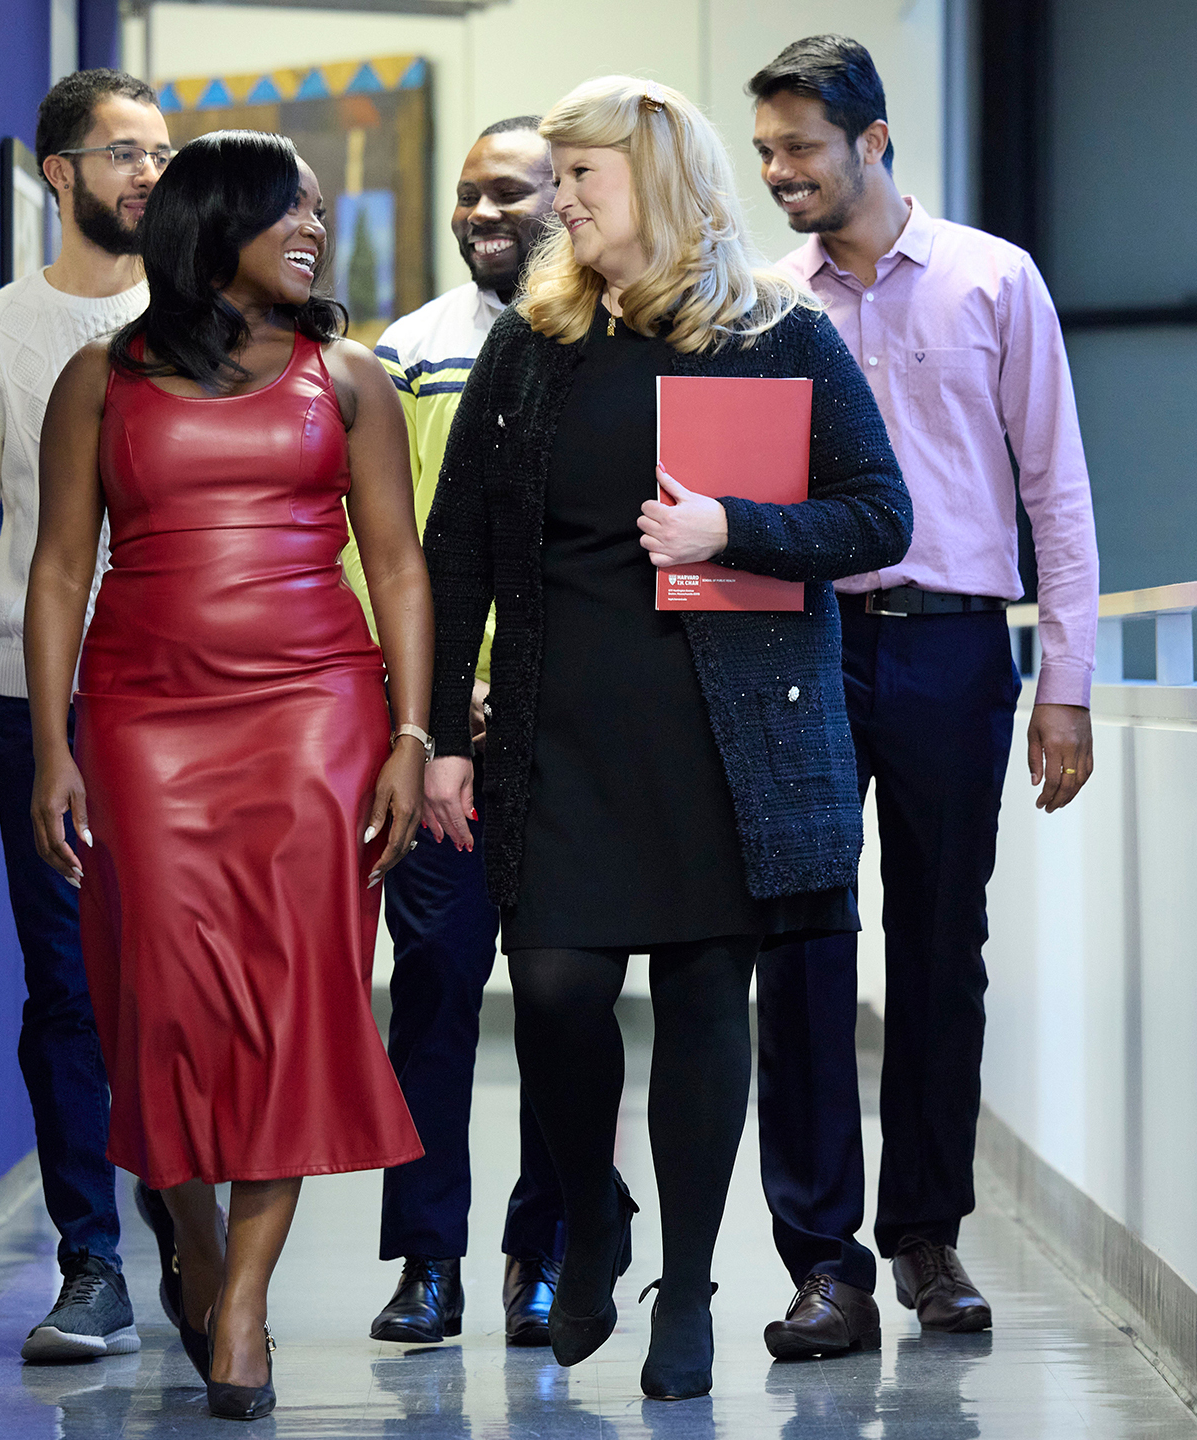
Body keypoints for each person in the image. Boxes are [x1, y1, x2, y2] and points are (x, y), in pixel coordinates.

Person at [418, 77, 911, 1402]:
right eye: (560, 178)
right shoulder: (533, 342)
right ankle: (593, 1214)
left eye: (584, 177)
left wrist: (734, 531)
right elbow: (453, 545)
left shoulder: (780, 335)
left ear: (663, 183)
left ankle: (685, 1286)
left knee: (703, 1004)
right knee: (564, 996)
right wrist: (438, 734)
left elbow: (879, 516)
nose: (559, 200)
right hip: (556, 731)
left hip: (721, 738)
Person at [22, 131, 430, 1420]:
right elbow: (53, 571)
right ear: (215, 223)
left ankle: (242, 1300)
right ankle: (191, 1241)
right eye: (289, 211)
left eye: (318, 212)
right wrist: (50, 746)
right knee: (162, 1002)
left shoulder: (347, 377)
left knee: (293, 998)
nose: (315, 230)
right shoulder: (99, 378)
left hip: (315, 711)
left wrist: (410, 738)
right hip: (143, 721)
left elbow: (401, 570)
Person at [745, 34, 1100, 1357]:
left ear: (874, 141)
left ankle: (926, 1239)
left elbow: (1055, 488)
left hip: (955, 647)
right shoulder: (765, 303)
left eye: (802, 149)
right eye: (768, 150)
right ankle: (822, 1261)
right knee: (804, 948)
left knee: (945, 951)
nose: (780, 172)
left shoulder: (992, 279)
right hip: (804, 653)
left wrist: (1064, 679)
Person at [0, 67, 169, 1364]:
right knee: (68, 990)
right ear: (56, 173)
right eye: (123, 152)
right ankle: (91, 1262)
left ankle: (190, 1234)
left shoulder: (206, 325)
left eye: (162, 151)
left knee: (180, 988)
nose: (149, 173)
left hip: (192, 711)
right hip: (39, 711)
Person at [353, 115, 573, 1349]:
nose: (482, 216)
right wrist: (430, 709)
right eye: (466, 197)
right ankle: (425, 1261)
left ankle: (538, 1256)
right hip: (442, 742)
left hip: (567, 746)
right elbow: (384, 550)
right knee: (432, 996)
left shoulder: (605, 344)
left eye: (511, 194)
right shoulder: (408, 354)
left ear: (569, 197)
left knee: (557, 1003)